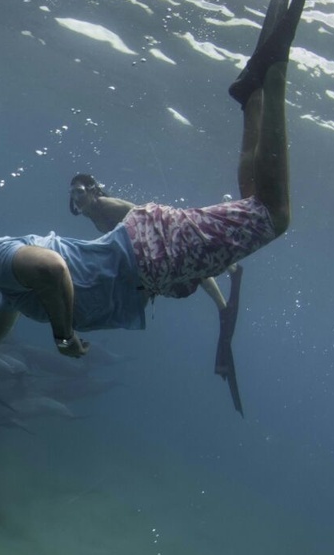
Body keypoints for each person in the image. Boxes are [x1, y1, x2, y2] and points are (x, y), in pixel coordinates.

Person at [0, 0, 322, 412]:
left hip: (151, 256)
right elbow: (5, 317)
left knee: (273, 216)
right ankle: (252, 97)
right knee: (253, 205)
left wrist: (62, 336)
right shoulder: (5, 280)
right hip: (152, 258)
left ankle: (274, 76)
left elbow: (53, 269)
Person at [68, 174, 245, 412]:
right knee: (187, 269)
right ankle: (227, 280)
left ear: (92, 191)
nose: (76, 197)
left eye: (79, 191)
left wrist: (160, 240)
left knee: (188, 264)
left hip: (153, 232)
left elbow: (138, 214)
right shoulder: (90, 212)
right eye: (73, 193)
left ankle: (223, 303)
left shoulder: (105, 205)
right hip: (140, 248)